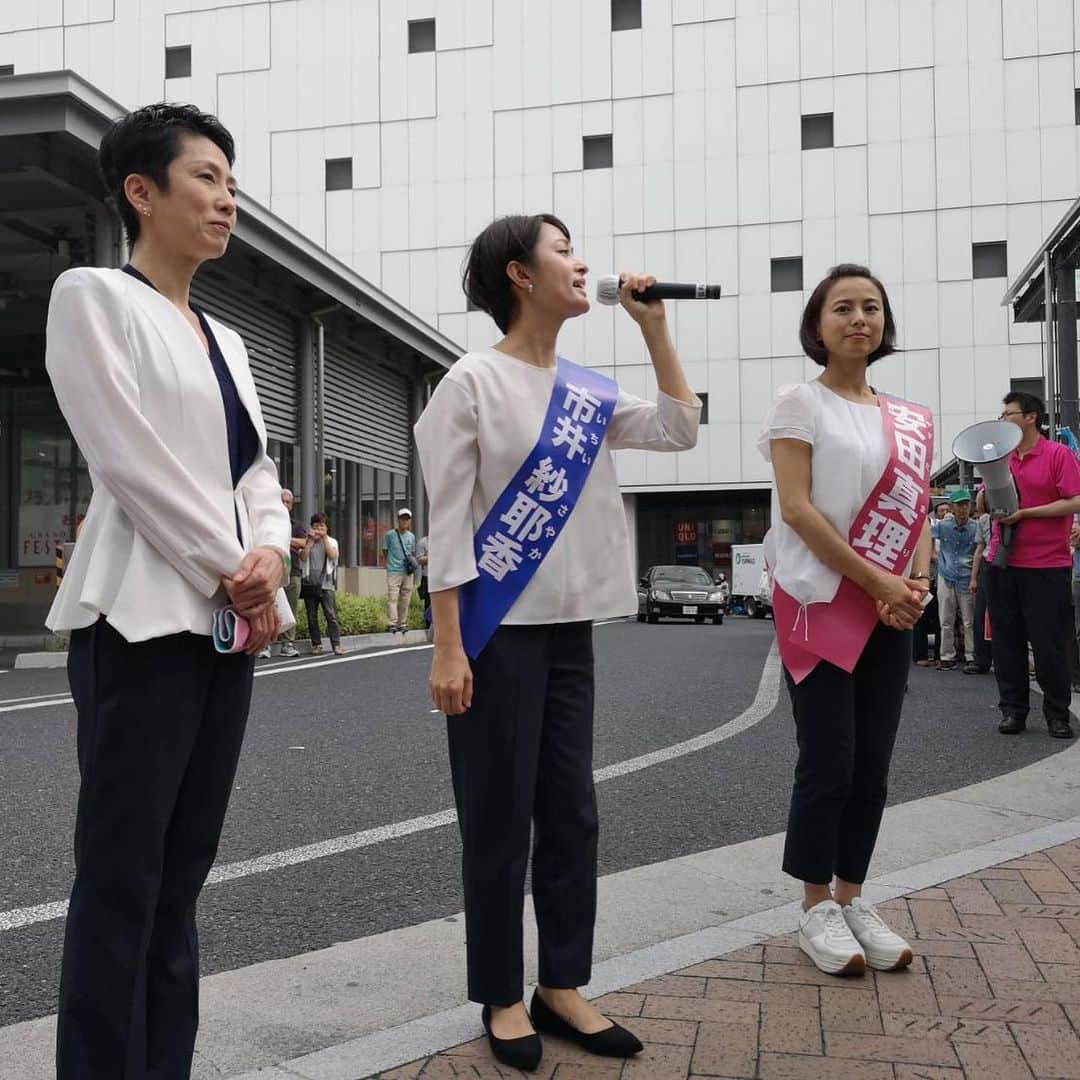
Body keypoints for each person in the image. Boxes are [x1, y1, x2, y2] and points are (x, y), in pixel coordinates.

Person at [415, 213, 700, 1071]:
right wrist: (448, 644)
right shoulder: (469, 382)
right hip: (497, 636)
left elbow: (682, 429)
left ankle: (562, 984)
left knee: (572, 815)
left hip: (570, 633)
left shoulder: (589, 390)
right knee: (497, 824)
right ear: (518, 275)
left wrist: (655, 329)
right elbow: (449, 524)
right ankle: (503, 994)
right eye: (563, 251)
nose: (582, 264)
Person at [44, 103, 291, 1080]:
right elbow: (130, 461)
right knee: (121, 881)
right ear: (141, 193)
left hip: (221, 635)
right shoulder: (92, 297)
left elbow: (257, 472)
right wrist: (234, 566)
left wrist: (270, 551)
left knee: (180, 883)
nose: (228, 199)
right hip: (137, 626)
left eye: (232, 182)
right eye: (207, 179)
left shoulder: (229, 342)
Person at [761, 264, 933, 979]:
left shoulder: (911, 419)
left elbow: (917, 506)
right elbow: (799, 509)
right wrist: (879, 580)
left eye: (871, 307)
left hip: (890, 607)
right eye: (842, 308)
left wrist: (915, 584)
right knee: (828, 760)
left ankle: (855, 895)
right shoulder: (798, 403)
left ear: (885, 323)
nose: (859, 318)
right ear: (818, 324)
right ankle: (814, 908)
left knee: (872, 767)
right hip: (819, 604)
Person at [984, 392, 1080, 737]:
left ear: (1031, 417)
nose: (1003, 419)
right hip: (1002, 561)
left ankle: (1057, 714)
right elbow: (986, 503)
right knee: (1006, 642)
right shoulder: (1001, 457)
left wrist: (1028, 513)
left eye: (1008, 413)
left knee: (1048, 643)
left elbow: (1075, 500)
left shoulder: (1058, 454)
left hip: (1046, 566)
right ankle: (1013, 711)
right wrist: (987, 490)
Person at [932, 490, 979, 670]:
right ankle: (946, 656)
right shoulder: (942, 525)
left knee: (969, 620)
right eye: (959, 504)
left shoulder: (976, 527)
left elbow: (978, 552)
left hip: (967, 577)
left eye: (966, 504)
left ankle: (971, 655)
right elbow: (928, 538)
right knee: (946, 618)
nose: (963, 508)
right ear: (951, 507)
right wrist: (934, 557)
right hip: (946, 575)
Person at [259, 487, 306, 658]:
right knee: (269, 607)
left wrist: (284, 539)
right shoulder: (267, 523)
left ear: (292, 506)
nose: (285, 504)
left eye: (288, 502)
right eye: (282, 501)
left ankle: (288, 644)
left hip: (293, 572)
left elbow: (303, 543)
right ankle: (265, 645)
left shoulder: (296, 525)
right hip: (272, 573)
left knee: (291, 609)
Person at [301, 512, 344, 655]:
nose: (318, 528)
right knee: (311, 616)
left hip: (326, 582)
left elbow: (333, 556)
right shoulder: (308, 540)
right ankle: (316, 644)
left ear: (327, 527)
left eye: (322, 526)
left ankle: (336, 645)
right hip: (310, 582)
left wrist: (324, 538)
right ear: (311, 527)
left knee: (331, 615)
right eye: (316, 526)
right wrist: (310, 542)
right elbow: (303, 557)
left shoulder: (332, 541)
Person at [966, 490, 993, 675]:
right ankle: (981, 659)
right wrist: (974, 578)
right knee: (980, 615)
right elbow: (979, 549)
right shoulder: (983, 520)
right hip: (987, 565)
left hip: (1010, 565)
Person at [383, 507, 417, 633]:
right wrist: (390, 563)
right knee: (393, 597)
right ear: (398, 520)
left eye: (407, 519)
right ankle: (392, 622)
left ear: (409, 521)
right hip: (393, 571)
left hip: (407, 572)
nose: (405, 521)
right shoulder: (389, 535)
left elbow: (412, 553)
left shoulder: (411, 537)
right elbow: (385, 550)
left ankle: (402, 623)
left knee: (405, 598)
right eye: (402, 519)